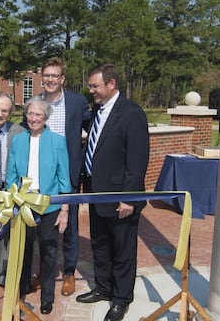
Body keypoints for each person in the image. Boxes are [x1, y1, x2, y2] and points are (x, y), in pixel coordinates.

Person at [75, 64, 149, 321]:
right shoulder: (97, 109)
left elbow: (138, 160)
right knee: (101, 245)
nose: (91, 90)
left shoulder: (131, 113)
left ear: (111, 84)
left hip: (120, 198)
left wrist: (128, 198)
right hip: (96, 194)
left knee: (123, 250)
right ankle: (104, 288)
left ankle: (121, 298)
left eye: (95, 85)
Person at [27, 56, 91, 296]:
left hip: (68, 174)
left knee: (70, 227)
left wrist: (81, 158)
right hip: (40, 178)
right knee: (41, 229)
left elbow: (93, 130)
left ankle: (69, 273)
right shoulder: (34, 103)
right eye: (47, 76)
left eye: (55, 76)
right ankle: (45, 272)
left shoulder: (76, 103)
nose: (51, 80)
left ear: (62, 79)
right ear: (42, 78)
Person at [6, 96, 71, 315]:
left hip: (49, 206)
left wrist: (64, 209)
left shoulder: (57, 141)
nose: (34, 118)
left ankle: (47, 297)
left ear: (46, 117)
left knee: (49, 252)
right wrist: (12, 200)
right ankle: (22, 290)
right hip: (24, 204)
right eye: (30, 114)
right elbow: (12, 174)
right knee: (23, 251)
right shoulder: (18, 140)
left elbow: (64, 177)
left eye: (38, 115)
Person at [0, 93, 25, 294]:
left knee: (5, 236)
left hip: (7, 192)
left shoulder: (19, 132)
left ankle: (3, 276)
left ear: (11, 112)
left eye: (5, 110)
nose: (0, 114)